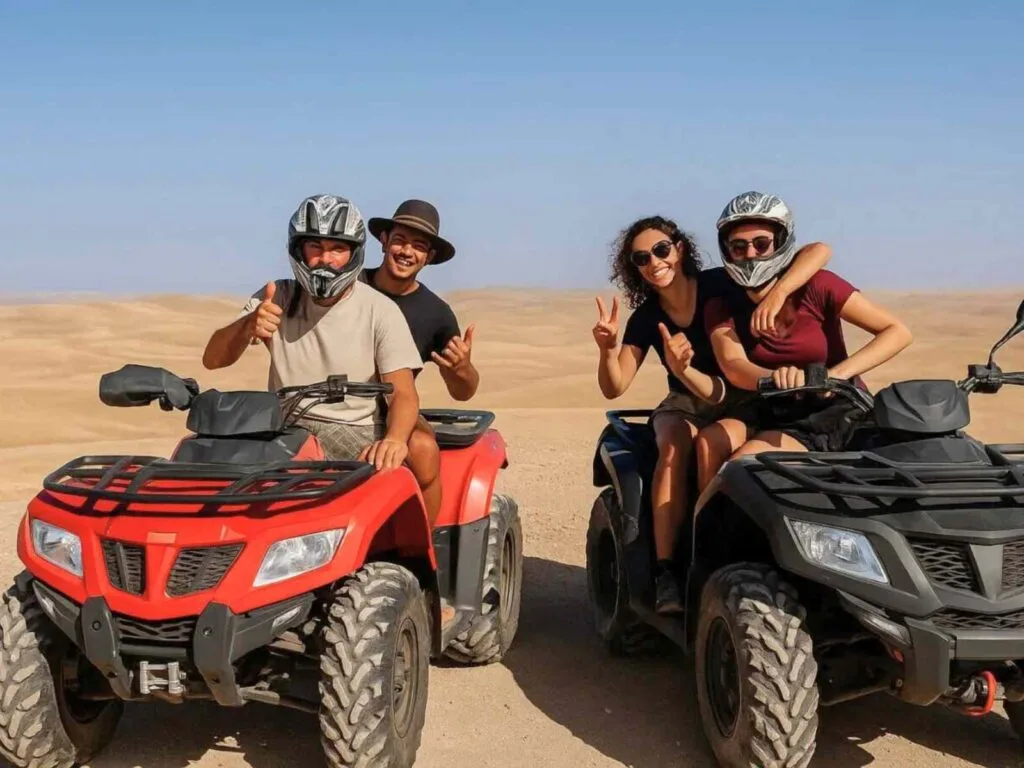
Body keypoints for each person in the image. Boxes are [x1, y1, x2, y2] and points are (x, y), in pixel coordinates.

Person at [593, 214, 832, 614]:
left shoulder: (722, 284)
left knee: (723, 453)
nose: (654, 262)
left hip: (742, 400)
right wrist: (605, 348)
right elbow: (614, 385)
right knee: (673, 445)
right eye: (640, 258)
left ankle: (723, 557)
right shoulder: (647, 318)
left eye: (661, 250)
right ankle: (668, 571)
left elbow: (819, 252)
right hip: (685, 404)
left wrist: (777, 294)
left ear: (680, 248)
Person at [201, 193, 443, 525]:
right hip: (284, 428)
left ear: (353, 253)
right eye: (314, 247)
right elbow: (213, 360)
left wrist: (394, 440)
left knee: (412, 460)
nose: (324, 259)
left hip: (357, 431)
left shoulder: (379, 310)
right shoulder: (278, 296)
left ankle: (422, 560)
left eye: (337, 249)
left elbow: (402, 392)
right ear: (298, 249)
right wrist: (248, 325)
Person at [697, 191, 913, 485]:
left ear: (781, 242)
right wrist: (777, 377)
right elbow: (733, 363)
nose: (750, 254)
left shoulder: (817, 285)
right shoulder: (722, 302)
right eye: (738, 246)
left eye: (762, 244)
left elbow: (897, 332)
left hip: (834, 408)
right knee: (723, 455)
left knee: (745, 468)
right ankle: (704, 528)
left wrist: (833, 376)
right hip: (774, 406)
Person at [363, 199, 479, 400]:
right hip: (331, 409)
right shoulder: (348, 287)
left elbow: (463, 393)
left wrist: (462, 368)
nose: (407, 252)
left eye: (418, 246)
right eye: (399, 239)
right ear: (384, 241)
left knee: (421, 434)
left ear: (429, 257)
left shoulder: (436, 315)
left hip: (393, 415)